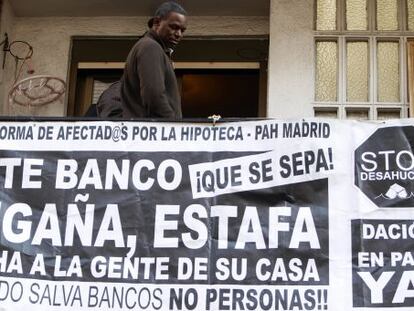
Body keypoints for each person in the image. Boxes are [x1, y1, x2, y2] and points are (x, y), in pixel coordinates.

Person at [121, 1, 187, 118]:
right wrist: (175, 128)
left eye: (182, 30)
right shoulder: (150, 47)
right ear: (157, 22)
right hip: (155, 132)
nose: (179, 34)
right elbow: (154, 96)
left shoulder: (153, 48)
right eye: (174, 27)